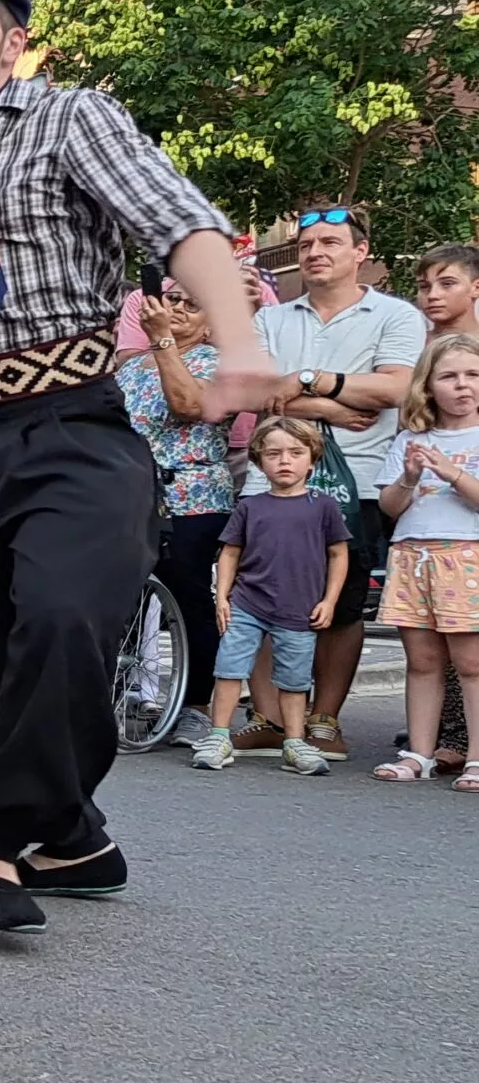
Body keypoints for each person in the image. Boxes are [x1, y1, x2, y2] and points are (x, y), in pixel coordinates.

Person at [0, 0, 279, 931]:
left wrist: (242, 339)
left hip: (72, 421)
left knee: (62, 615)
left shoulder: (68, 119)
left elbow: (180, 226)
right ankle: (73, 840)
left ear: (10, 41)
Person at [222, 208, 426, 761]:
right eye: (307, 243)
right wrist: (330, 406)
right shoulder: (271, 318)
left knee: (340, 604)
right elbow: (249, 388)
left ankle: (324, 722)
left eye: (330, 243)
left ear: (360, 252)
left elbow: (394, 390)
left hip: (356, 481)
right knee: (256, 599)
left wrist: (305, 382)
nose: (315, 252)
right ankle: (266, 717)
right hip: (268, 480)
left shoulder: (395, 317)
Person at [186, 418, 348, 774]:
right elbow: (230, 552)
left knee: (294, 679)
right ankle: (219, 735)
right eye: (273, 454)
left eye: (295, 453)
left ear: (312, 459)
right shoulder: (250, 506)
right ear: (259, 462)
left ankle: (293, 741)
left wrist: (329, 600)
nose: (284, 461)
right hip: (247, 604)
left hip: (299, 608)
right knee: (228, 668)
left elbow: (338, 553)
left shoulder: (324, 506)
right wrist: (223, 596)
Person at [118, 284, 236, 721]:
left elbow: (188, 404)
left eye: (194, 304)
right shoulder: (130, 369)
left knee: (189, 599)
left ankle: (197, 706)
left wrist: (164, 341)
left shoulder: (219, 363)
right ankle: (129, 686)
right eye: (174, 300)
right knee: (119, 595)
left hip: (193, 496)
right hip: (131, 495)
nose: (181, 308)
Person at [372, 333, 479, 787]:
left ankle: (476, 756)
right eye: (449, 376)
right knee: (422, 660)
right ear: (428, 385)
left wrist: (451, 472)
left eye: (472, 374)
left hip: (466, 554)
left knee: (471, 662)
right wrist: (410, 476)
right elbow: (389, 507)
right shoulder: (410, 439)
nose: (462, 385)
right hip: (412, 554)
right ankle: (419, 751)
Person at [411, 245, 476, 768]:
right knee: (433, 647)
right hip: (425, 523)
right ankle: (438, 739)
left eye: (447, 283)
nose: (433, 294)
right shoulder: (420, 345)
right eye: (425, 285)